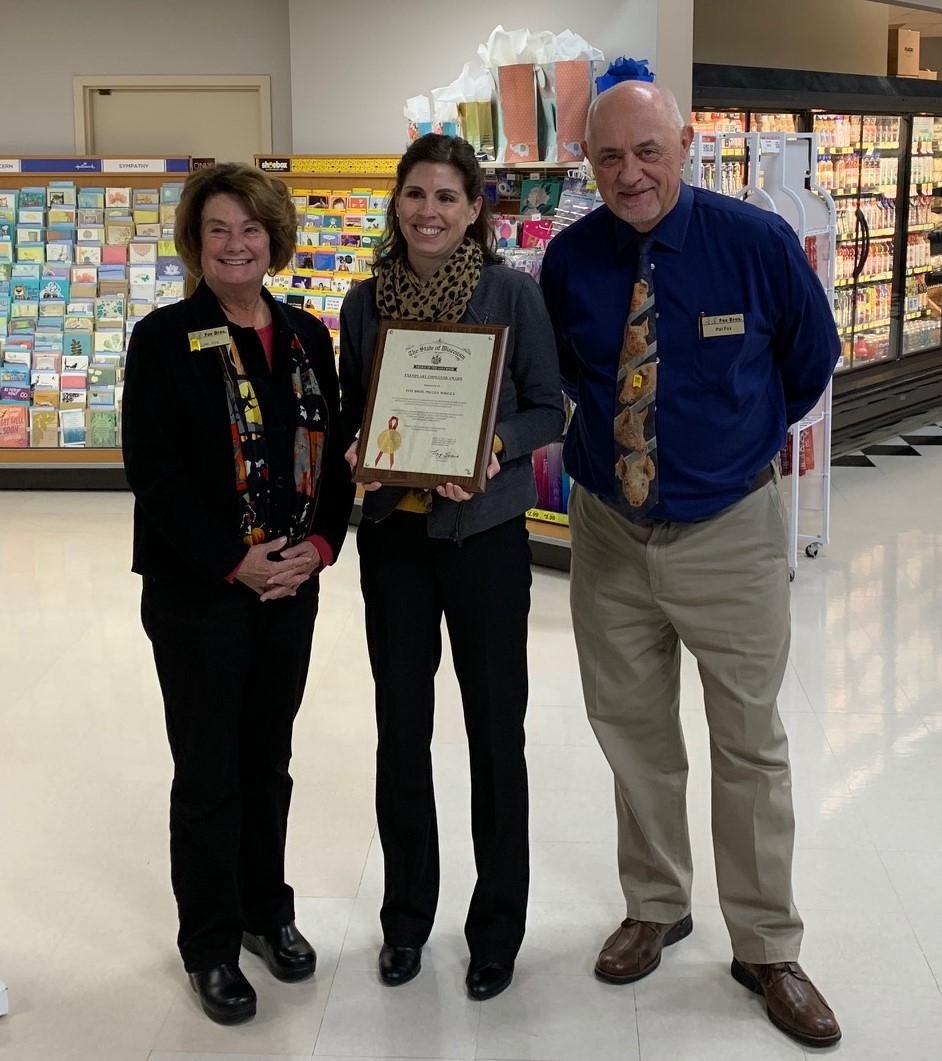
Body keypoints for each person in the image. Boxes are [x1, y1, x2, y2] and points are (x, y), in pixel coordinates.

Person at [539, 83, 842, 1048]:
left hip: (731, 532)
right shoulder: (570, 259)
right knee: (631, 728)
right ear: (588, 164)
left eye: (647, 152)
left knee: (749, 739)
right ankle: (658, 902)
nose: (629, 174)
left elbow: (811, 358)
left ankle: (766, 944)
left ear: (685, 145)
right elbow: (564, 387)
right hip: (611, 532)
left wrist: (730, 448)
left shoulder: (755, 245)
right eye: (607, 159)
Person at [122, 162, 354, 1025]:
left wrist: (320, 545)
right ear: (195, 240)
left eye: (251, 229)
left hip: (291, 587)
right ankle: (211, 943)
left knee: (270, 759)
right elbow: (154, 473)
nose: (236, 244)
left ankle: (267, 912)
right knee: (210, 771)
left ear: (274, 240)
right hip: (202, 594)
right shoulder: (163, 337)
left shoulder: (304, 336)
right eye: (218, 229)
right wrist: (235, 559)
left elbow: (331, 453)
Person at [339, 133, 564, 1002]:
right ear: (396, 204)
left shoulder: (514, 294)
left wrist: (494, 445)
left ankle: (497, 926)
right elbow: (358, 403)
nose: (429, 211)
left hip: (487, 539)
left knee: (494, 731)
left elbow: (551, 406)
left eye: (447, 196)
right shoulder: (365, 304)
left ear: (476, 210)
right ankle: (405, 920)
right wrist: (362, 448)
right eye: (415, 194)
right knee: (401, 729)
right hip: (395, 538)